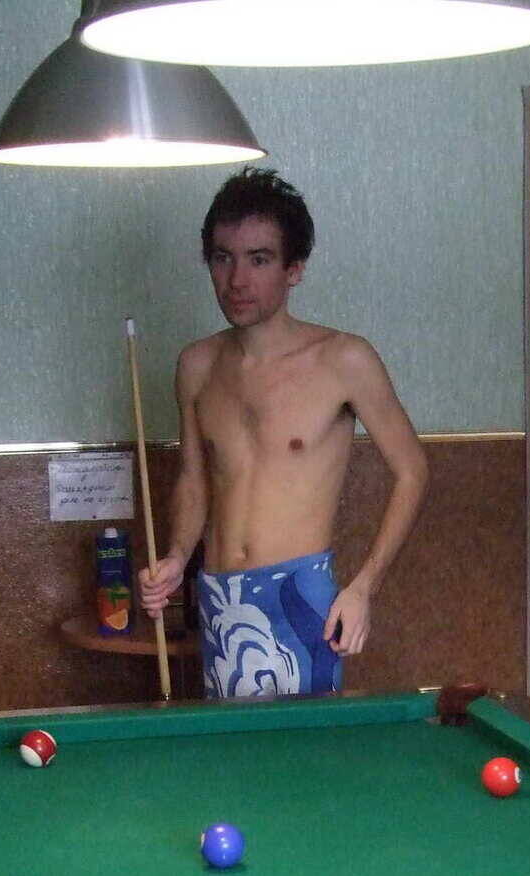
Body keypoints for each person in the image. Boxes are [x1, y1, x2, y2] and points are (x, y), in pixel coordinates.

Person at [137, 168, 427, 699]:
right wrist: (177, 556)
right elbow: (195, 482)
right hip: (219, 597)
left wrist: (364, 586)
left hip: (300, 596)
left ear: (294, 269)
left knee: (302, 750)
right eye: (222, 258)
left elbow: (413, 472)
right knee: (229, 748)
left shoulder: (344, 359)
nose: (237, 280)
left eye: (259, 259)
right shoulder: (197, 365)